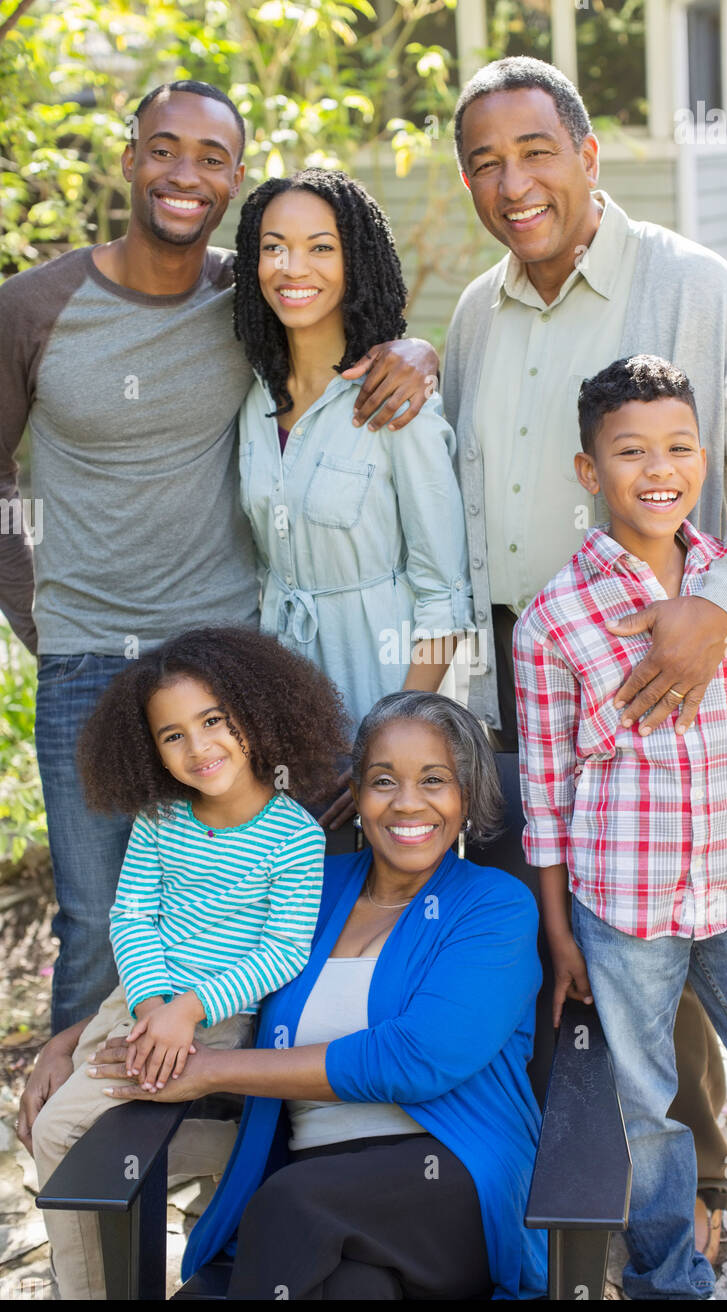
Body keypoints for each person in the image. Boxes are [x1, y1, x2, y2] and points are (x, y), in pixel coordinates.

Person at [440, 54, 727, 1240]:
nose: (513, 184)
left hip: (665, 647)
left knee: (684, 932)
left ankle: (710, 1197)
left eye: (534, 152)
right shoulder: (469, 312)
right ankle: (574, 1202)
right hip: (518, 659)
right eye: (484, 164)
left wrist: (718, 606)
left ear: (588, 153)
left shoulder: (693, 285)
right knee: (575, 940)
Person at [0, 79, 438, 1034]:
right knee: (98, 922)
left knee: (260, 916)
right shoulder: (34, 307)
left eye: (210, 158)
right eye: (164, 149)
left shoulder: (249, 291)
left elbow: (337, 305)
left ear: (233, 175)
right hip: (89, 669)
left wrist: (418, 349)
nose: (184, 174)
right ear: (129, 160)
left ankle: (235, 1152)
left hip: (232, 664)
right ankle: (94, 1176)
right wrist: (40, 616)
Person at [514, 355, 727, 1301]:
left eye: (678, 447)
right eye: (630, 451)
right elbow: (545, 792)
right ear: (591, 473)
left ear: (704, 459)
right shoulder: (554, 622)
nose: (658, 468)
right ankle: (670, 1280)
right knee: (645, 1111)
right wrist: (559, 930)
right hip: (626, 909)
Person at [87, 692, 547, 1300]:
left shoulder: (494, 907)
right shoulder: (310, 885)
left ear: (467, 797)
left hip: (450, 1176)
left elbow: (416, 1058)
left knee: (292, 1204)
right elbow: (192, 959)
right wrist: (73, 1040)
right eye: (384, 781)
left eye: (434, 780)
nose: (408, 802)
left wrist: (209, 1071)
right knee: (353, 1288)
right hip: (321, 1189)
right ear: (356, 796)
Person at [29, 625, 348, 1300]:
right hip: (143, 1004)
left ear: (256, 715)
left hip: (221, 1018)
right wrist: (151, 1008)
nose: (199, 747)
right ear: (150, 749)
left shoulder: (292, 835)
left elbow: (281, 950)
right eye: (173, 735)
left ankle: (87, 1306)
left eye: (213, 721)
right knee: (65, 1125)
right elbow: (132, 917)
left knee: (61, 1129)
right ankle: (97, 1289)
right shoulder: (161, 820)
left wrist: (189, 1011)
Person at [233, 171, 474, 827]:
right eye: (274, 247)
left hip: (386, 687)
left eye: (320, 247)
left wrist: (387, 744)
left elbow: (444, 599)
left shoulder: (398, 399)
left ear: (355, 260)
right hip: (283, 710)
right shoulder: (252, 397)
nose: (292, 268)